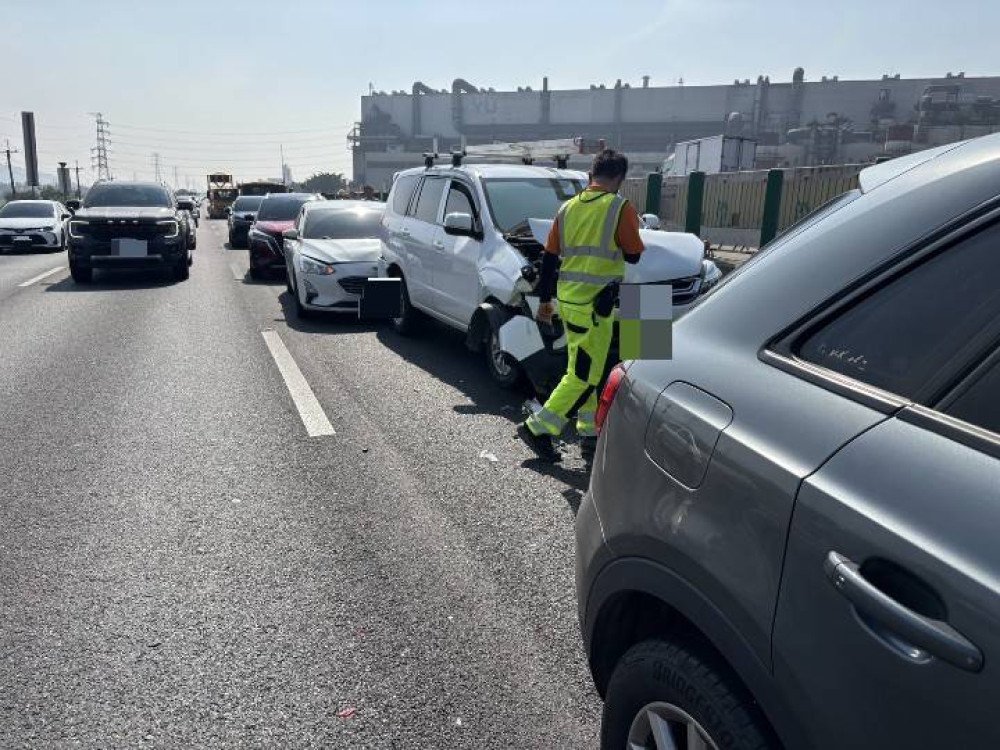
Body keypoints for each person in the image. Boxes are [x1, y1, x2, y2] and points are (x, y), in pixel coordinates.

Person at [516, 149, 645, 464]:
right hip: (599, 306)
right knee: (585, 375)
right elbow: (633, 256)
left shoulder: (567, 208)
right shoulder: (620, 207)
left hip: (569, 300)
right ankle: (536, 427)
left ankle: (588, 432)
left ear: (592, 174)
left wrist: (545, 301)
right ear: (620, 178)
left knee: (587, 368)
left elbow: (549, 257)